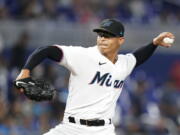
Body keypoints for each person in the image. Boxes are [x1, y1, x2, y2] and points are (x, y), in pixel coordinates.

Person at [14, 19, 175, 135]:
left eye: (108, 35)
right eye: (100, 34)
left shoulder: (124, 63)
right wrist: (26, 71)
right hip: (71, 128)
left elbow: (138, 57)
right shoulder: (84, 55)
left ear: (120, 41)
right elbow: (47, 50)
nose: (102, 38)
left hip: (103, 130)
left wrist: (154, 43)